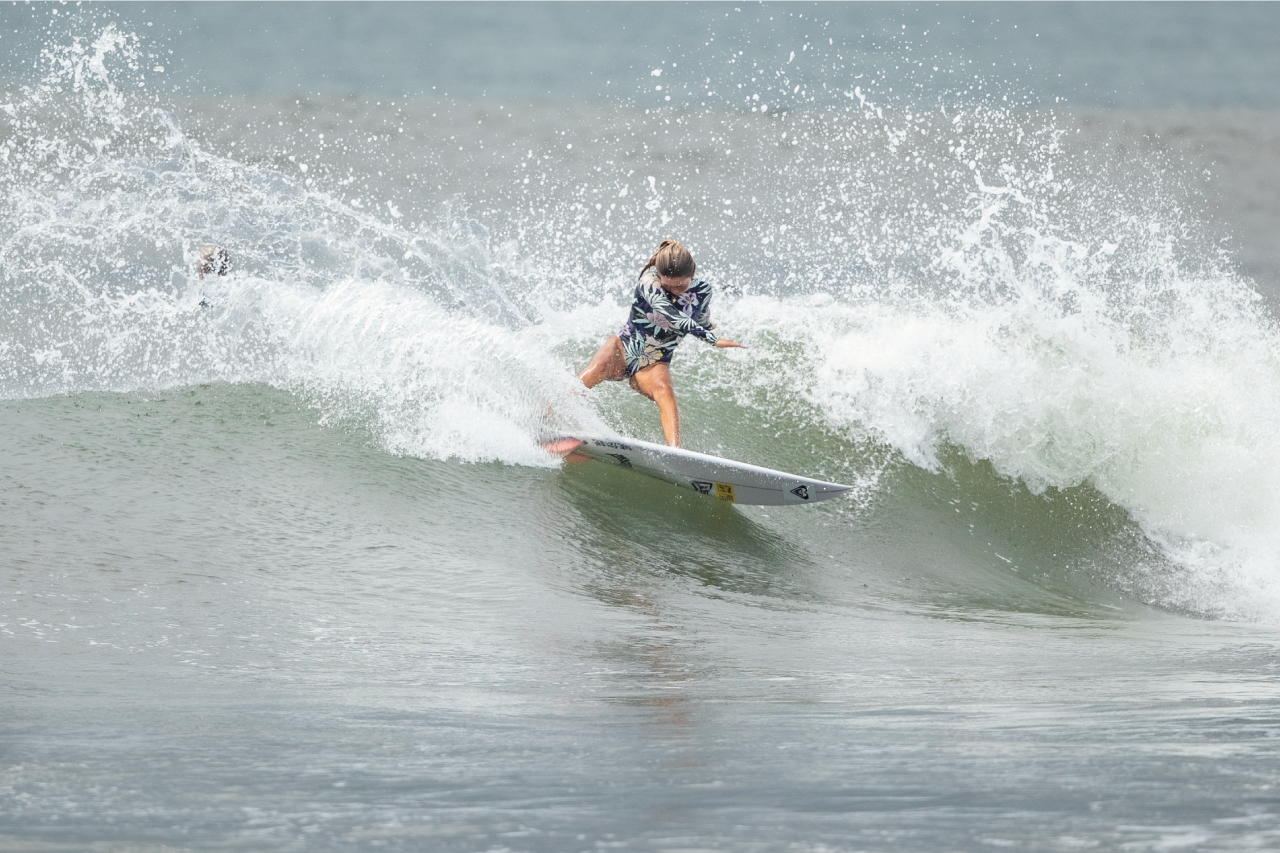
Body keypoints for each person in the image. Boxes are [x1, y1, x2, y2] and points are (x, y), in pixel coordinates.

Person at [577, 239, 744, 448]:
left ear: (692, 274)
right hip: (623, 347)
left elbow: (699, 316)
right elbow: (667, 311)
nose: (674, 290)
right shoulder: (649, 280)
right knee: (593, 372)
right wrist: (712, 339)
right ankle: (546, 417)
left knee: (665, 390)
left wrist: (708, 325)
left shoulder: (703, 291)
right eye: (668, 285)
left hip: (655, 360)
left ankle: (676, 452)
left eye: (680, 285)